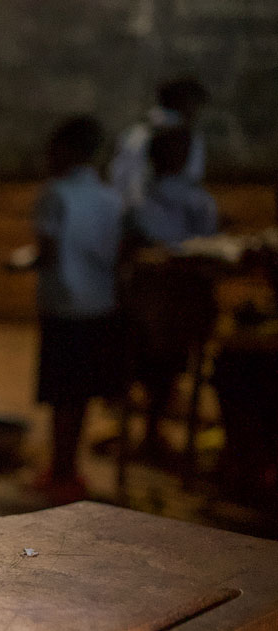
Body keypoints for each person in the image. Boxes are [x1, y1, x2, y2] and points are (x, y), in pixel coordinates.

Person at [32, 116, 124, 504]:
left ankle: (62, 472)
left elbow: (48, 252)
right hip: (100, 305)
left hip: (64, 306)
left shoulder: (55, 194)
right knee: (81, 395)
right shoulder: (112, 198)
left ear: (67, 151)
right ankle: (70, 469)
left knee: (62, 397)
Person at [124, 126, 219, 462]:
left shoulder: (137, 197)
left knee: (155, 365)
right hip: (174, 308)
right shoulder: (196, 200)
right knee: (166, 364)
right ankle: (153, 431)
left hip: (150, 309)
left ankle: (151, 430)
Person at [109, 77, 209, 208]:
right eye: (196, 104)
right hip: (164, 210)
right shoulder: (187, 137)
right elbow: (192, 178)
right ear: (186, 103)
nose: (197, 112)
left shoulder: (132, 132)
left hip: (127, 209)